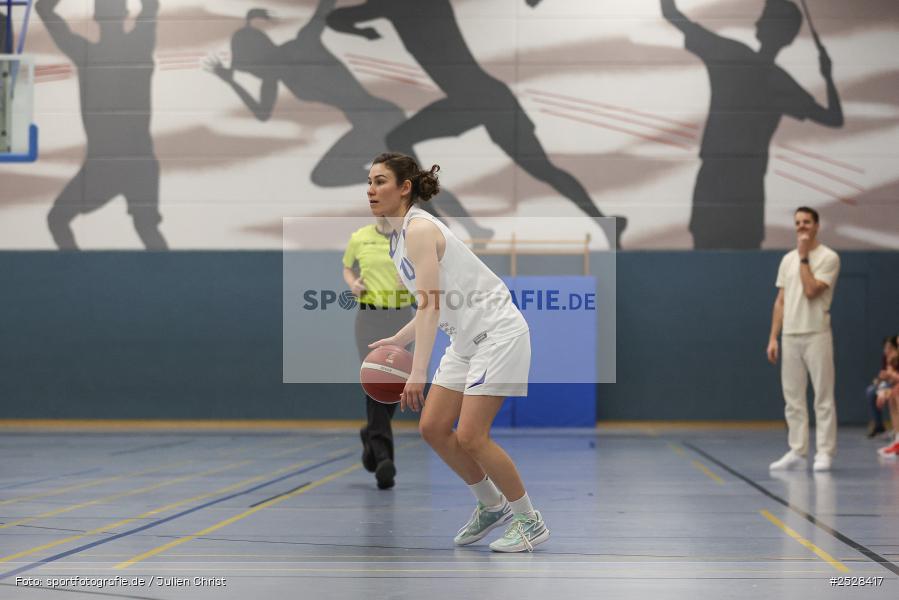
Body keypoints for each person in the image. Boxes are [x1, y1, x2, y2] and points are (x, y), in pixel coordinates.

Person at [327, 0, 626, 248]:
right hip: (480, 97)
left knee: (540, 168)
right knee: (542, 169)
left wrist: (363, 31)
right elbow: (336, 19)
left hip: (479, 98)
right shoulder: (395, 5)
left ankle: (434, 220)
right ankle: (433, 220)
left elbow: (337, 18)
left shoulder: (394, 5)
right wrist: (362, 30)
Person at [366, 152, 549, 552]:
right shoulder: (398, 241)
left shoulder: (418, 230)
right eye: (370, 182)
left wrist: (417, 371)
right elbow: (432, 304)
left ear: (405, 187)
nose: (371, 189)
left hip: (497, 334)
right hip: (465, 341)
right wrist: (399, 340)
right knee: (433, 427)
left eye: (381, 181)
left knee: (471, 436)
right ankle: (490, 505)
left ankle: (529, 521)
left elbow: (431, 304)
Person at [661, 0, 843, 249]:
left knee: (705, 260)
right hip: (748, 189)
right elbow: (834, 118)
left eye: (765, 17)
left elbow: (670, 13)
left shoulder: (729, 54)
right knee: (743, 263)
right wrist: (828, 75)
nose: (757, 21)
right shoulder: (780, 83)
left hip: (715, 181)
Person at [37, 0, 167, 250]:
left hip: (107, 163)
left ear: (95, 17)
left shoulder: (87, 54)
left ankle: (81, 277)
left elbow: (43, 9)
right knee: (146, 227)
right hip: (134, 160)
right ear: (125, 14)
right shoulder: (138, 45)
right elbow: (151, 6)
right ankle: (170, 285)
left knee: (57, 220)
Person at [342, 217, 414, 489]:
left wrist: (411, 280)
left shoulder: (409, 237)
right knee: (375, 381)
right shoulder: (360, 237)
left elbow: (427, 271)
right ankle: (383, 457)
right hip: (369, 316)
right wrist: (353, 284)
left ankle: (371, 434)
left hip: (401, 316)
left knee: (395, 383)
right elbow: (348, 267)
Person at [767, 207, 840, 472]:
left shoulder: (828, 258)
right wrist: (773, 337)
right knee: (793, 397)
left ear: (817, 225)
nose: (802, 226)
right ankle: (797, 450)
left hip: (817, 334)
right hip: (791, 335)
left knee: (823, 396)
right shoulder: (787, 260)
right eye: (798, 222)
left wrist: (804, 257)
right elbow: (781, 300)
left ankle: (824, 452)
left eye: (806, 222)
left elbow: (810, 291)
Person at [866, 336, 898, 438]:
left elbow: (894, 377)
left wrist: (885, 389)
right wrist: (880, 384)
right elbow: (889, 377)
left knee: (894, 394)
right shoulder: (888, 358)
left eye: (890, 348)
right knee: (873, 391)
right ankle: (895, 435)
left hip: (894, 384)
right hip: (892, 384)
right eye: (885, 348)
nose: (886, 350)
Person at [875, 341, 899, 459]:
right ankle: (898, 441)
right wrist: (882, 392)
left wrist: (892, 376)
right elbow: (886, 381)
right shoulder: (892, 359)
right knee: (892, 398)